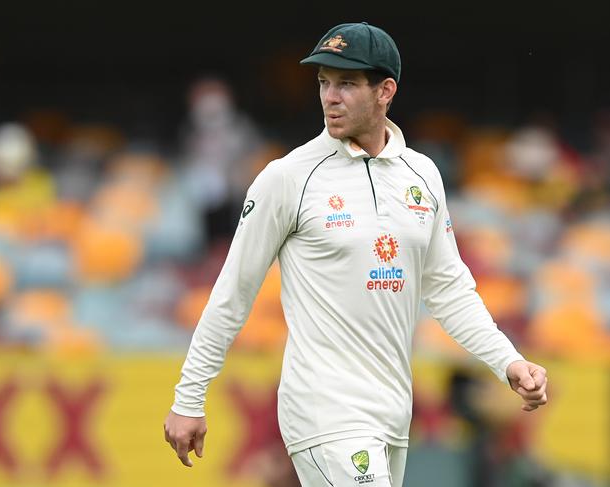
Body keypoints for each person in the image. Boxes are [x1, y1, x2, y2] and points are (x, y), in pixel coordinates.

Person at [164, 22, 548, 487]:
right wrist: (189, 398)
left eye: (346, 83)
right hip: (324, 408)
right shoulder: (288, 178)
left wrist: (507, 360)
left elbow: (449, 290)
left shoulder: (422, 175)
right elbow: (233, 293)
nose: (330, 96)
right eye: (324, 82)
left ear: (386, 90)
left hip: (391, 410)